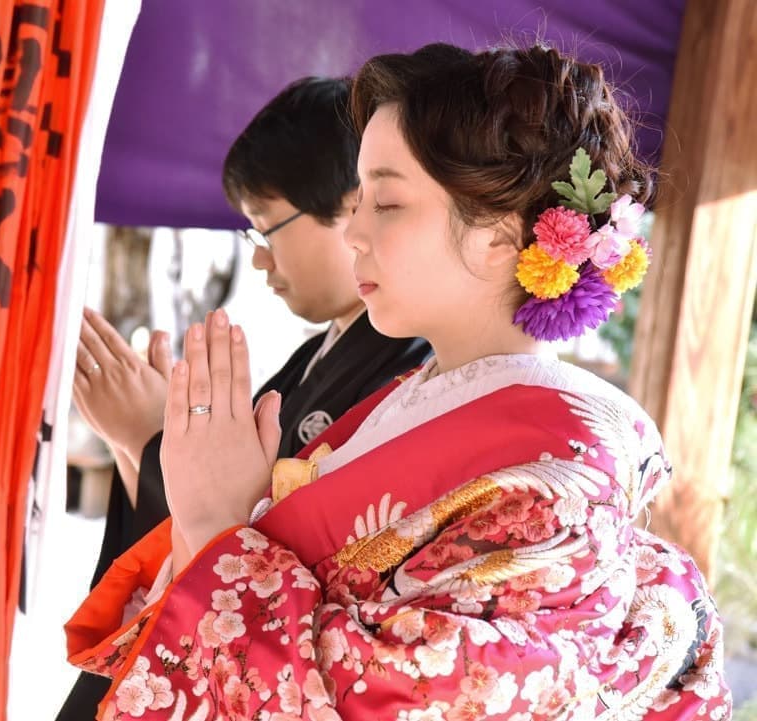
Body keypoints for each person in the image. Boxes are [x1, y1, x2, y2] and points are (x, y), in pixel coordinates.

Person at [65, 43, 732, 720]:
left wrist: (219, 528)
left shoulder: (561, 476)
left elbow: (422, 698)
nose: (352, 232)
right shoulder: (416, 395)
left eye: (385, 201)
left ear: (501, 234)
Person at [57, 77, 431, 720]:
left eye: (265, 229)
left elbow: (267, 539)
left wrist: (149, 441)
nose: (259, 262)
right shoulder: (319, 353)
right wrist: (151, 444)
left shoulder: (410, 372)